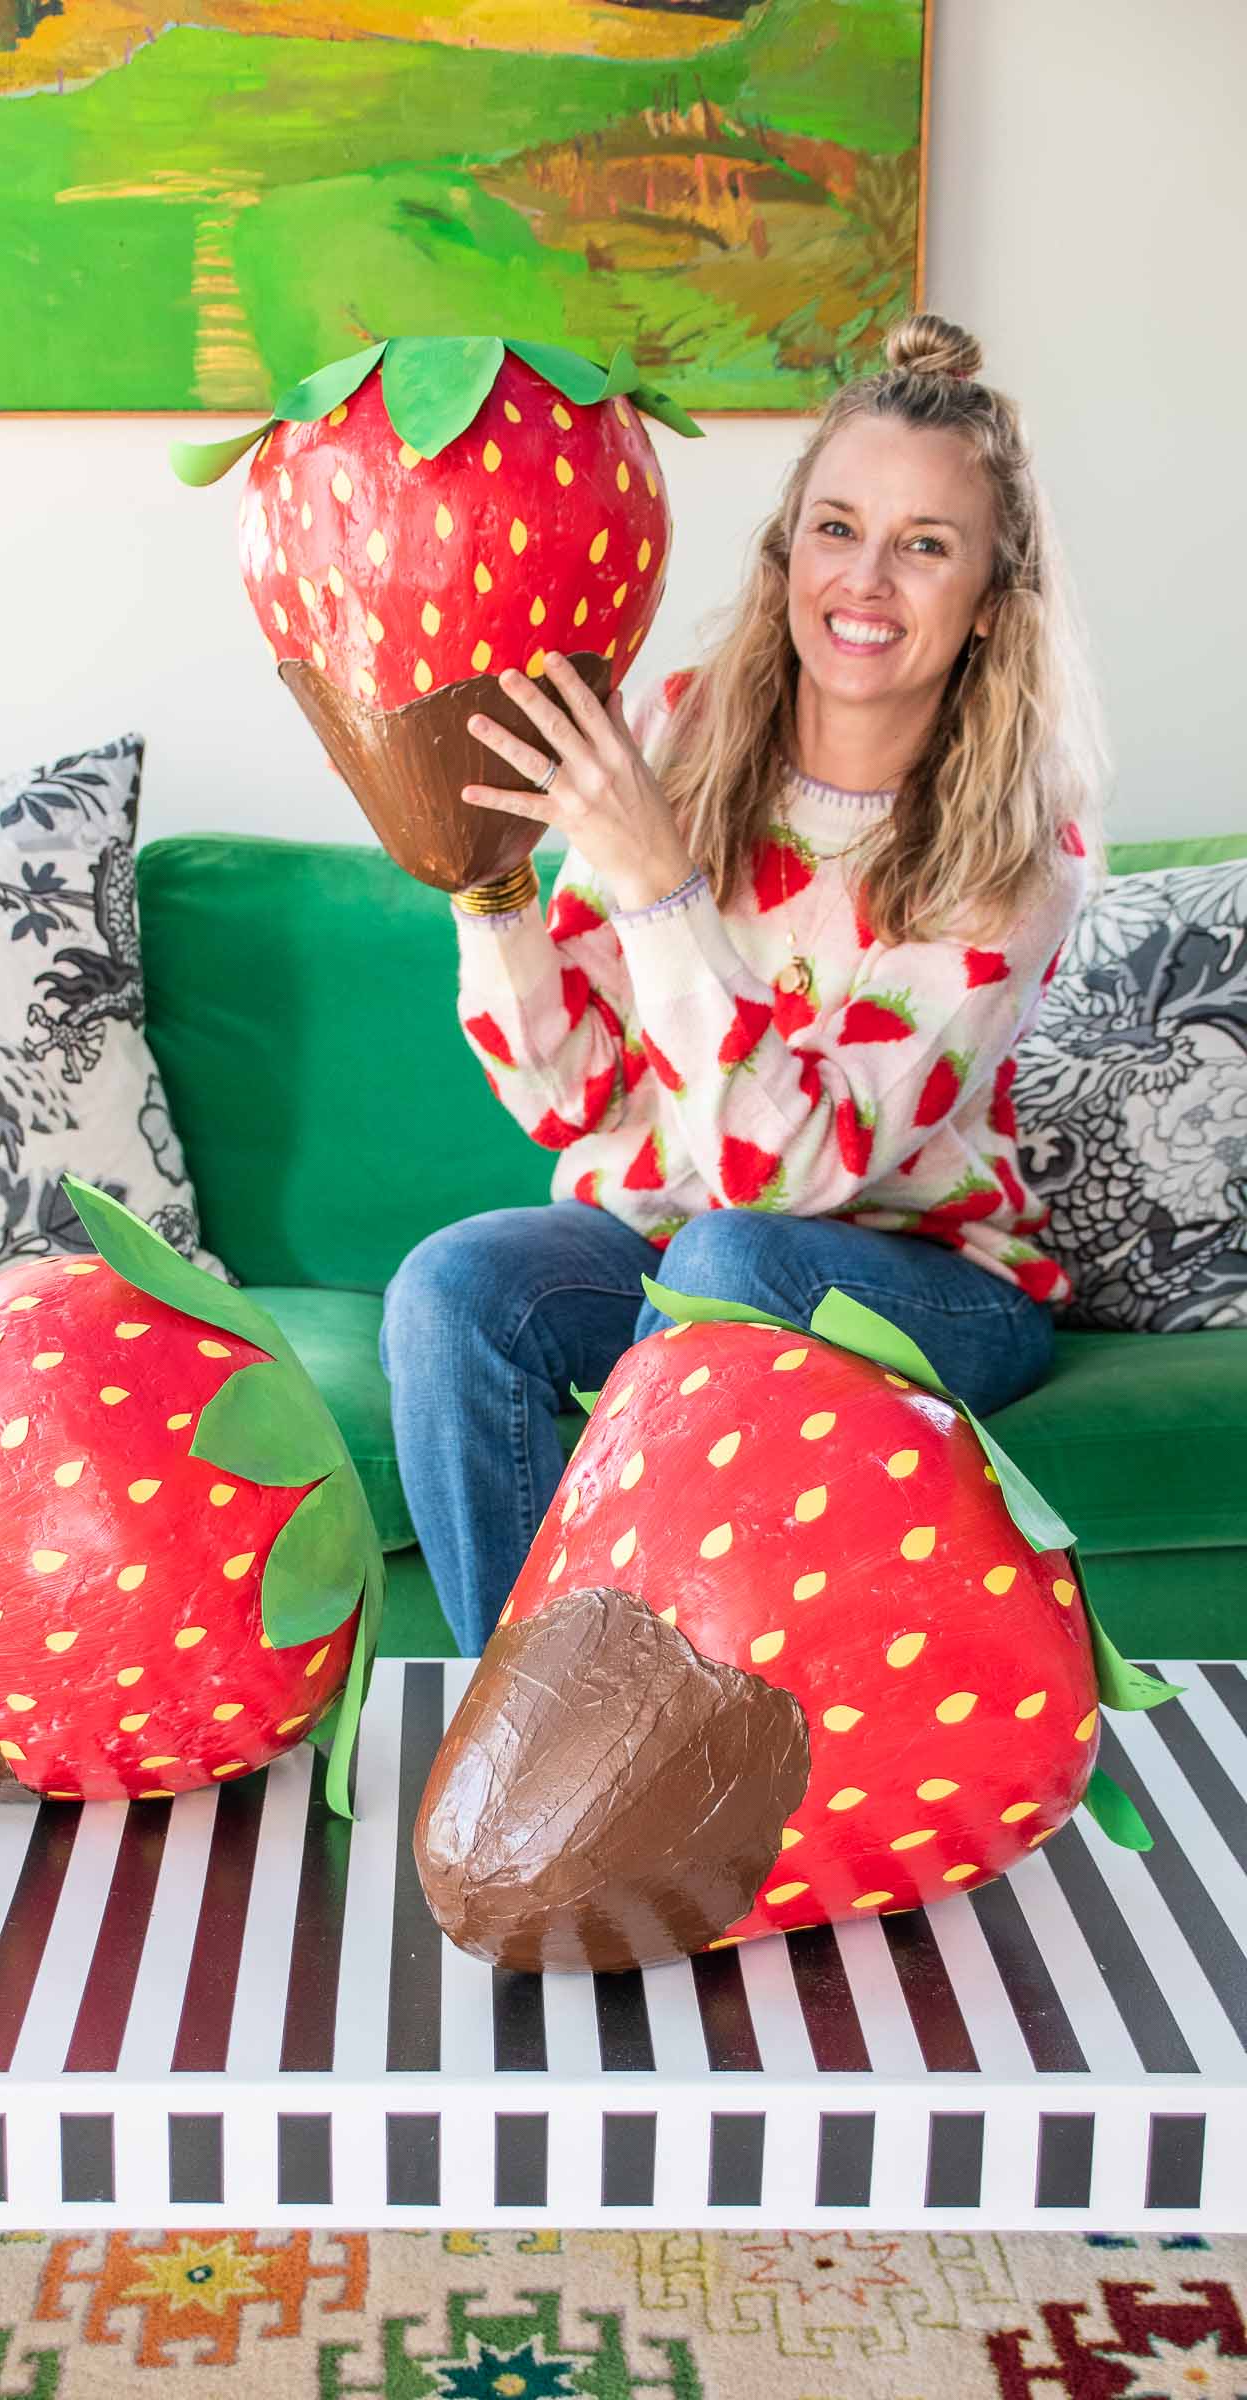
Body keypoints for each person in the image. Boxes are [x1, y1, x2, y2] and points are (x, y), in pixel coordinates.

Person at [379, 312, 1107, 1658]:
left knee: (735, 1254)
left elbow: (785, 1183)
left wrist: (661, 890)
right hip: (679, 1251)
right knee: (454, 1286)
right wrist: (483, 881)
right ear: (786, 553)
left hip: (929, 1280)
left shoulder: (1020, 852)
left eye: (925, 545)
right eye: (837, 528)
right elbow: (572, 1095)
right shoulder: (684, 730)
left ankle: (662, 1688)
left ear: (993, 600)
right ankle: (527, 1717)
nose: (867, 580)